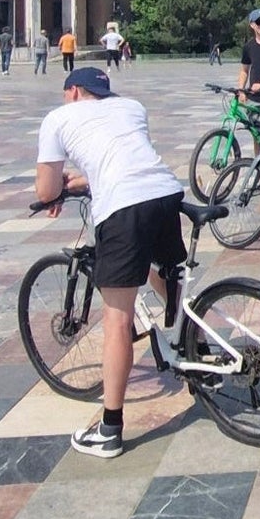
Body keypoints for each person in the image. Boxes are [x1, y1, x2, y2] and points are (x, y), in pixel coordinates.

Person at [34, 66, 186, 459]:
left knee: (117, 320)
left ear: (72, 92)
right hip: (165, 193)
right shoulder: (131, 107)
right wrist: (81, 181)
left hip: (121, 209)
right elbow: (121, 158)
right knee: (163, 271)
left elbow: (45, 188)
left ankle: (110, 428)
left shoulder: (58, 118)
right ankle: (194, 342)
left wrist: (56, 192)